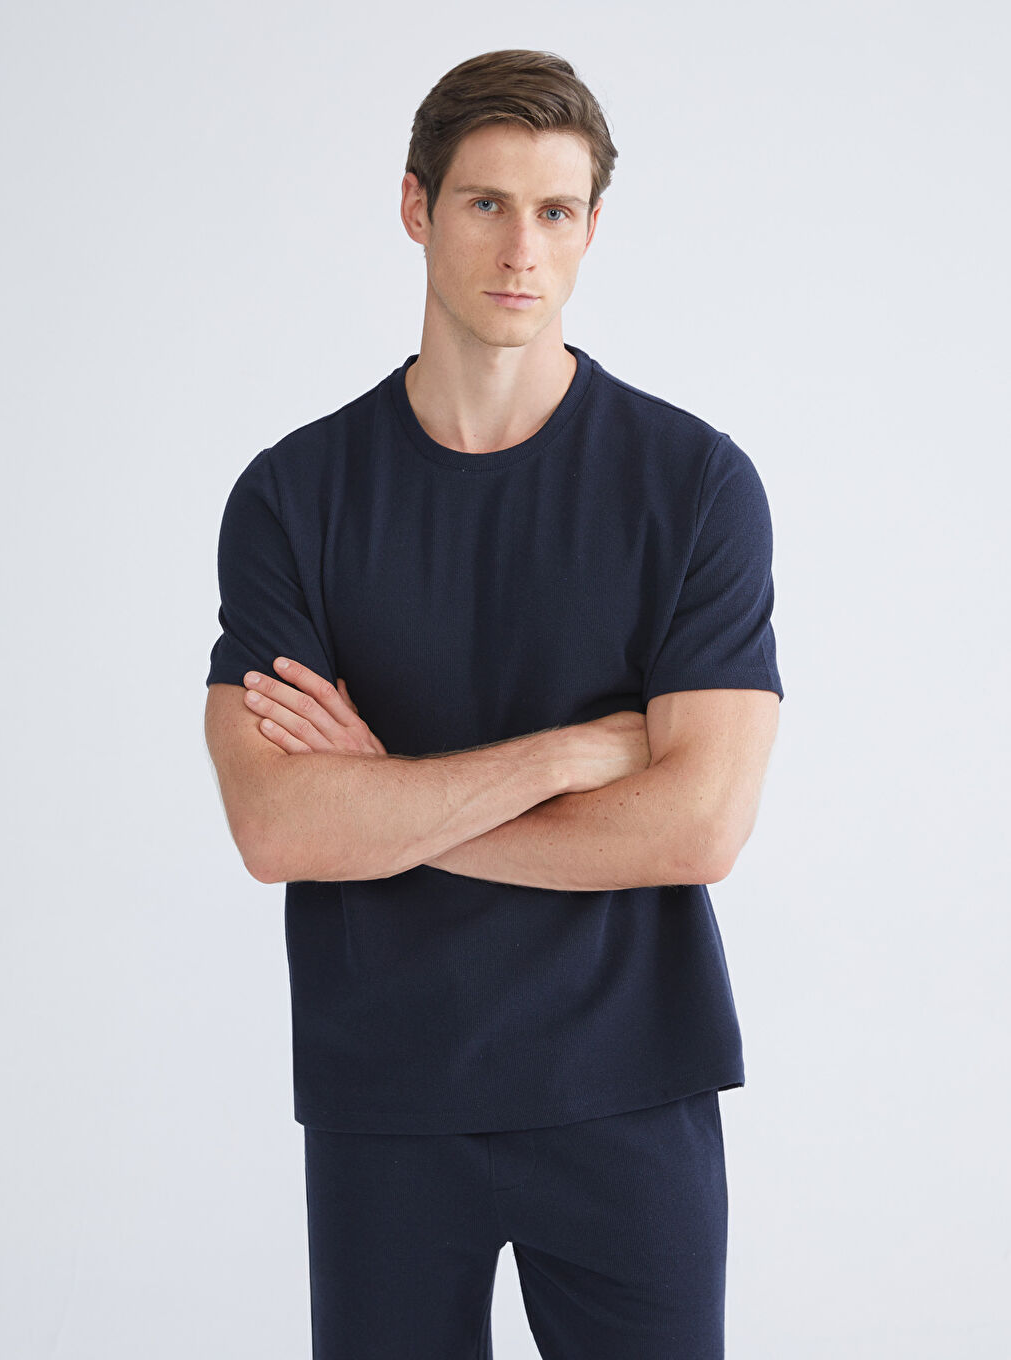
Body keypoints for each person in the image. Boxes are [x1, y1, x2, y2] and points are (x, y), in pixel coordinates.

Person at [204, 47, 783, 1360]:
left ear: (591, 230)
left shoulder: (693, 485)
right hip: (386, 1098)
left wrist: (386, 807)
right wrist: (571, 753)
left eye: (556, 210)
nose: (523, 248)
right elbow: (278, 829)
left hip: (630, 1088)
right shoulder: (294, 498)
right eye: (486, 203)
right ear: (416, 207)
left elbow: (698, 827)